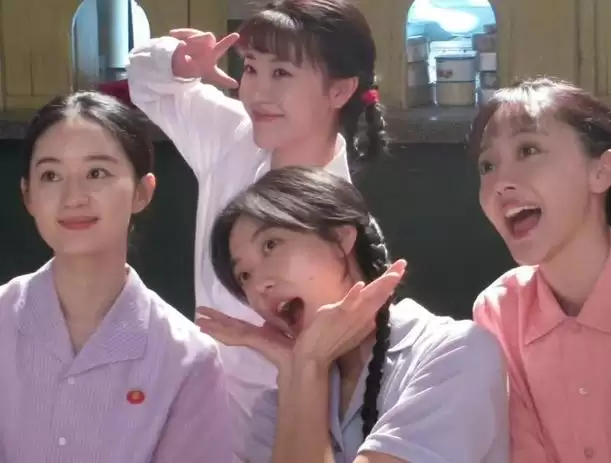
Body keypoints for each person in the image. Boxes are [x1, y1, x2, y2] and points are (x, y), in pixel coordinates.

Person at [126, 0, 389, 455]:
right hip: (197, 415)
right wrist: (177, 61)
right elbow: (146, 83)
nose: (258, 92)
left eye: (281, 73)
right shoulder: (233, 136)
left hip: (294, 426)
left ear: (339, 90)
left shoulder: (344, 225)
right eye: (251, 68)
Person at [196, 166, 509, 463]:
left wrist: (307, 364)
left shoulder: (456, 352)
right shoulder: (277, 407)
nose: (259, 285)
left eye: (270, 245)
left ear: (341, 237)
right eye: (244, 275)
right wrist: (302, 368)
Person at [0, 92, 233, 462]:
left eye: (97, 173)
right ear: (28, 196)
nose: (73, 197)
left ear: (142, 192)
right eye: (51, 175)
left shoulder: (186, 359)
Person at [470, 77, 611, 463]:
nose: (501, 183)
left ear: (601, 171)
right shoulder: (497, 312)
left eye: (528, 150)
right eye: (487, 165)